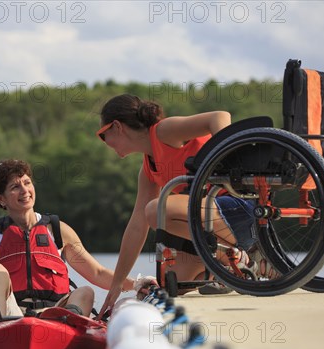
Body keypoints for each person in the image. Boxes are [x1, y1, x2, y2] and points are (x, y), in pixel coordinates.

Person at [95, 94, 263, 316]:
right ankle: (236, 265)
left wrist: (229, 162)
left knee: (156, 210)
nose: (104, 142)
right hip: (216, 221)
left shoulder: (164, 131)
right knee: (169, 283)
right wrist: (116, 284)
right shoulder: (147, 171)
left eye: (102, 135)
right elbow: (136, 226)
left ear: (116, 126)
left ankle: (235, 256)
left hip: (239, 205)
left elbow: (219, 116)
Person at [0, 159, 156, 326]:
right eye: (15, 187)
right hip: (12, 316)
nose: (25, 191)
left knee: (85, 292)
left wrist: (136, 283)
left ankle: (68, 323)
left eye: (27, 183)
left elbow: (98, 274)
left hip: (55, 314)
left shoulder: (58, 230)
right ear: (1, 199)